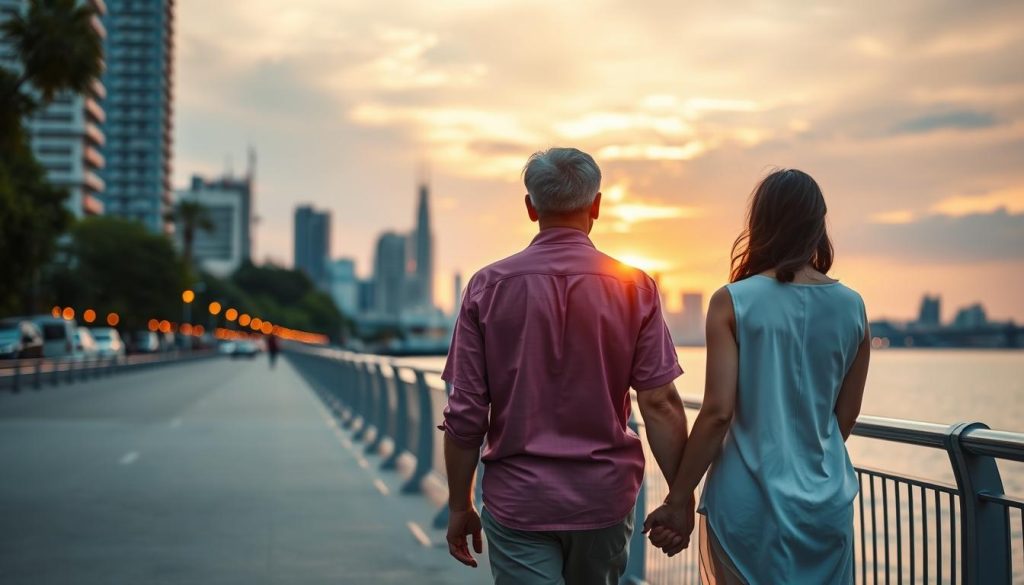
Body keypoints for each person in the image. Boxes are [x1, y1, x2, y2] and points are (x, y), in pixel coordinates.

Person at [439, 147, 690, 585]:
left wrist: (460, 506)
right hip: (603, 500)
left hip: (519, 500)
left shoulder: (487, 286)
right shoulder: (635, 288)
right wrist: (680, 496)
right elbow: (661, 402)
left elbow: (466, 413)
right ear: (596, 205)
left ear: (530, 207)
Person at [644, 169, 871, 584]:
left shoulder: (733, 301)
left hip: (747, 499)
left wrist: (679, 500)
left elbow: (717, 413)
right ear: (818, 224)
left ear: (759, 225)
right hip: (826, 501)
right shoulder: (852, 307)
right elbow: (845, 418)